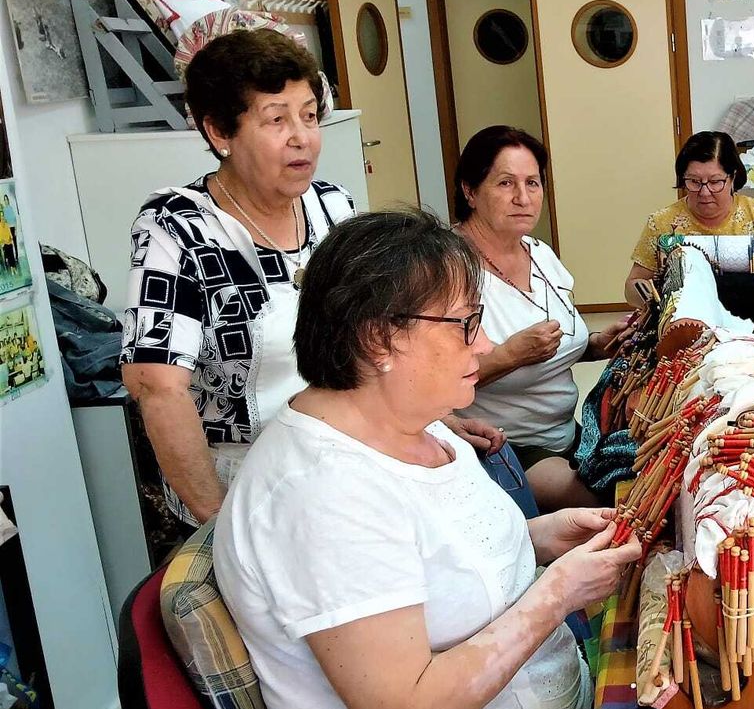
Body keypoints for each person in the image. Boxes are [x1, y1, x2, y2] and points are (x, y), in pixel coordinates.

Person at [213, 210, 642, 709]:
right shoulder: (321, 493)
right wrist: (557, 594)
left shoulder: (424, 425)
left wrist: (541, 539)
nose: (485, 345)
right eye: (467, 324)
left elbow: (429, 566)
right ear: (378, 340)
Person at [120, 28, 498, 525]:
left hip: (356, 462)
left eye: (310, 116)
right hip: (253, 487)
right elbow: (158, 387)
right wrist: (221, 528)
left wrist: (438, 419)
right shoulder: (179, 227)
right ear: (219, 133)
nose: (302, 137)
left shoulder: (332, 207)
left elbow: (391, 338)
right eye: (277, 120)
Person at [450, 126, 634, 510]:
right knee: (614, 502)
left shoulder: (539, 253)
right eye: (505, 183)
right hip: (507, 442)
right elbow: (431, 381)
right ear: (470, 190)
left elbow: (554, 345)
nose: (523, 198)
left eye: (532, 183)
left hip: (566, 432)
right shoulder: (448, 269)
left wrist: (597, 344)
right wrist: (511, 355)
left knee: (647, 462)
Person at [624, 130, 754, 307]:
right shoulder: (663, 222)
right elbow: (633, 286)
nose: (704, 192)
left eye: (715, 182)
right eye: (694, 181)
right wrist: (655, 300)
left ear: (733, 177)